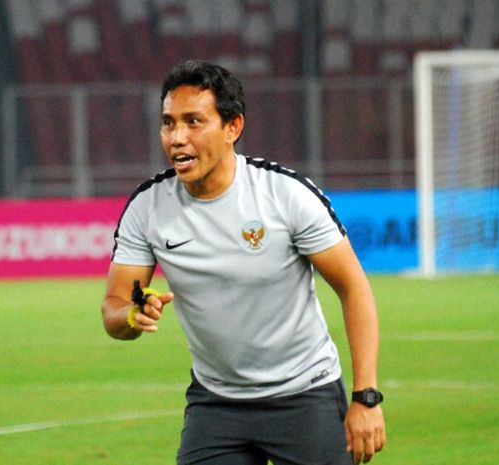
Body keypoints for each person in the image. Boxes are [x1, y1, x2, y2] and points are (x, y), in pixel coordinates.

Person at [102, 60, 385, 465]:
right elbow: (113, 307)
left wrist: (366, 397)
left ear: (233, 127)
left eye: (194, 122)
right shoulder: (147, 208)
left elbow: (353, 287)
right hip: (217, 405)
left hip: (304, 396)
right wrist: (132, 314)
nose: (177, 138)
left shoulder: (286, 196)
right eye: (168, 123)